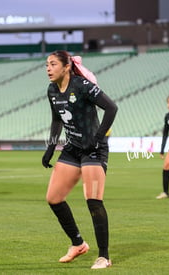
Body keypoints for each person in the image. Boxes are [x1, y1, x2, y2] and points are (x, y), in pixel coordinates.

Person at [42, 50, 118, 269]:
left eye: (53, 64)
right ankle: (78, 244)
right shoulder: (52, 90)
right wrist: (51, 147)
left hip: (94, 148)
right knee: (53, 198)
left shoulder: (82, 86)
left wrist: (98, 137)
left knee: (93, 200)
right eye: (47, 64)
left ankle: (104, 256)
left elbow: (111, 108)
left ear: (66, 67)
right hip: (72, 148)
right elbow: (57, 119)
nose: (48, 68)